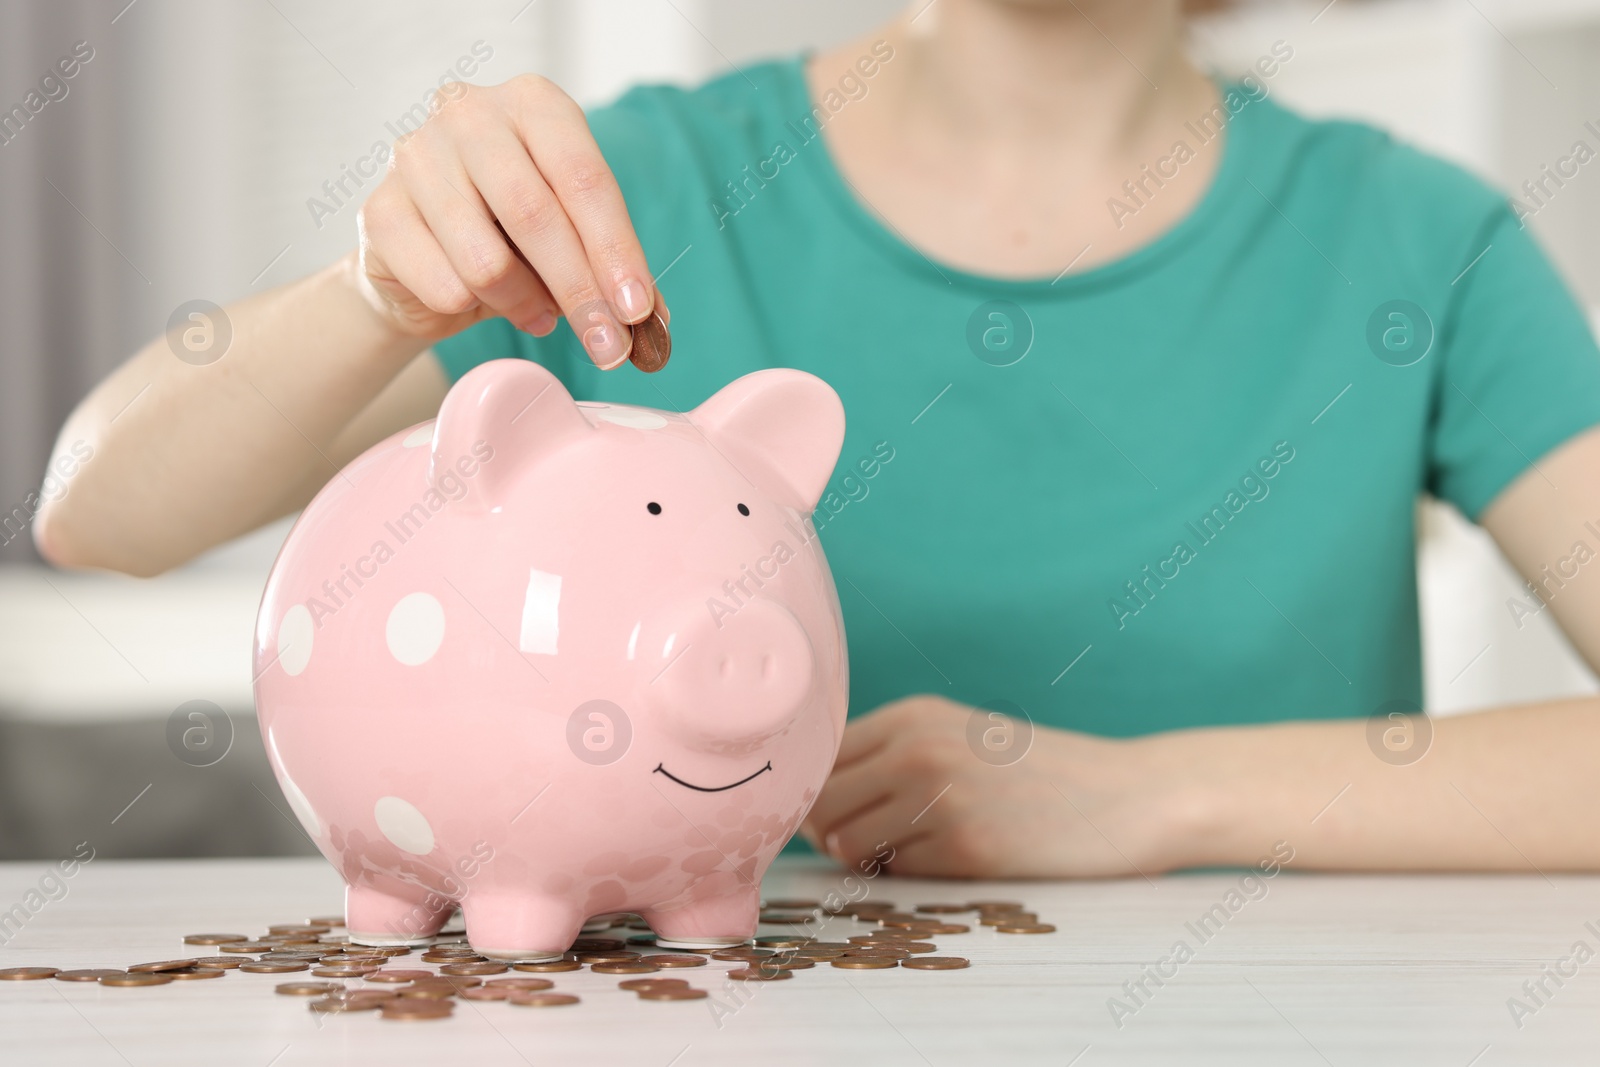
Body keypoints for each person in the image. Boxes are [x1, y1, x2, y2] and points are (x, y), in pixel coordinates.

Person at [35, 0, 1600, 879]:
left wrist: (1162, 795)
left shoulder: (1420, 244)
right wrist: (373, 289)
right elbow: (104, 508)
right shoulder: (628, 188)